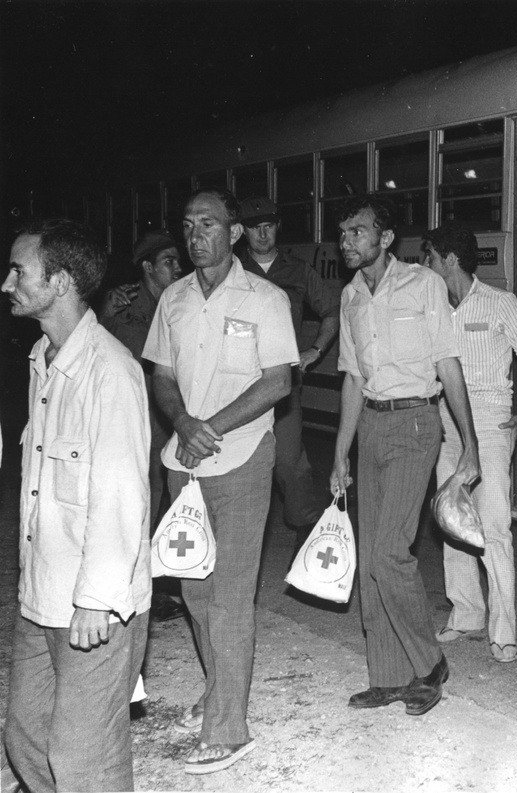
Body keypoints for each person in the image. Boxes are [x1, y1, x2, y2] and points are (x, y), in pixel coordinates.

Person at [143, 188, 299, 775]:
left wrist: (211, 425)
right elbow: (161, 374)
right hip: (183, 463)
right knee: (193, 592)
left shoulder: (266, 298)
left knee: (230, 595)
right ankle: (217, 691)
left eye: (208, 224)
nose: (195, 235)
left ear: (234, 232)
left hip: (241, 458)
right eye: (187, 225)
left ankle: (229, 727)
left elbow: (278, 381)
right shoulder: (174, 299)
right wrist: (183, 421)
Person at [2, 218, 151, 792]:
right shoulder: (44, 359)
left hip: (93, 605)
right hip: (42, 596)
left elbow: (120, 497)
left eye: (20, 270)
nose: (7, 282)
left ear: (61, 281)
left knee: (85, 758)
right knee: (27, 736)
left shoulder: (109, 372)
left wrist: (97, 600)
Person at [329, 195, 480, 716]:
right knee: (369, 558)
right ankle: (389, 676)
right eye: (343, 233)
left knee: (387, 553)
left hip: (416, 421)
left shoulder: (424, 284)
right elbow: (352, 377)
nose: (347, 241)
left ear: (385, 238)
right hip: (370, 423)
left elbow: (448, 362)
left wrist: (471, 444)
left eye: (357, 232)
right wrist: (339, 455)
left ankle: (428, 663)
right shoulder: (350, 297)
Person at [423, 226, 517, 664]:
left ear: (449, 260)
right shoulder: (434, 308)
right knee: (451, 518)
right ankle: (467, 612)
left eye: (430, 258)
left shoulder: (498, 302)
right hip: (447, 421)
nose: (426, 267)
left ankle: (504, 629)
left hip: (490, 422)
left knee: (493, 525)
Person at [238, 196, 338, 545]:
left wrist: (315, 350)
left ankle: (306, 525)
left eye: (268, 225)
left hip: (282, 382)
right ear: (242, 231)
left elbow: (331, 311)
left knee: (288, 460)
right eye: (254, 227)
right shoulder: (233, 270)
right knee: (237, 458)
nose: (262, 233)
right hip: (237, 382)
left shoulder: (297, 271)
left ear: (277, 227)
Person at [99, 229, 185, 622]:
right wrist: (104, 314)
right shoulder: (123, 305)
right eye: (169, 261)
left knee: (167, 495)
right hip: (131, 419)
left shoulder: (182, 300)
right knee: (137, 499)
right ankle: (131, 585)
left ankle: (156, 581)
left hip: (167, 414)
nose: (178, 267)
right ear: (148, 267)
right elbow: (94, 350)